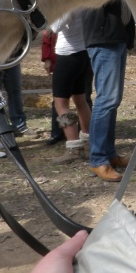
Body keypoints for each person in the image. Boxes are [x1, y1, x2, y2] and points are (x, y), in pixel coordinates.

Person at [82, 0, 135, 182]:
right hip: (104, 38)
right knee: (106, 100)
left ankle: (110, 153)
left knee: (113, 100)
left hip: (117, 37)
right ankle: (98, 160)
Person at [50, 10, 93, 164]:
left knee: (61, 103)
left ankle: (74, 147)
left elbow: (55, 26)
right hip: (83, 52)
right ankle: (88, 142)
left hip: (68, 55)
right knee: (80, 100)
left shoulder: (69, 4)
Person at [42, 30, 66, 146]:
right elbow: (47, 37)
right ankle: (56, 132)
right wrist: (47, 58)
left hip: (80, 57)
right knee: (58, 99)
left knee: (84, 98)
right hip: (58, 60)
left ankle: (85, 131)